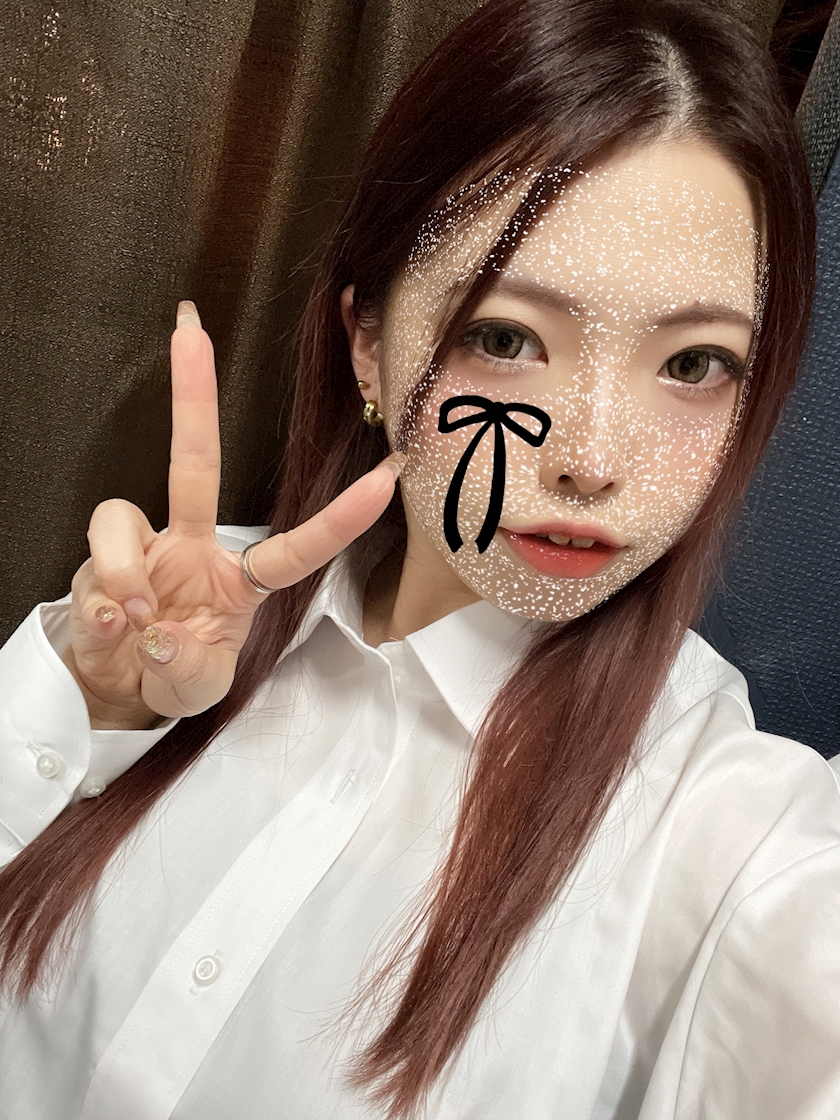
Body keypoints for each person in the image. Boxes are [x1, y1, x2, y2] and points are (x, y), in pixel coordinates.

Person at [1, 0, 838, 1117]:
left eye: (694, 363)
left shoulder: (730, 833)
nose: (592, 462)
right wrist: (82, 709)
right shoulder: (165, 621)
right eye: (505, 338)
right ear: (368, 344)